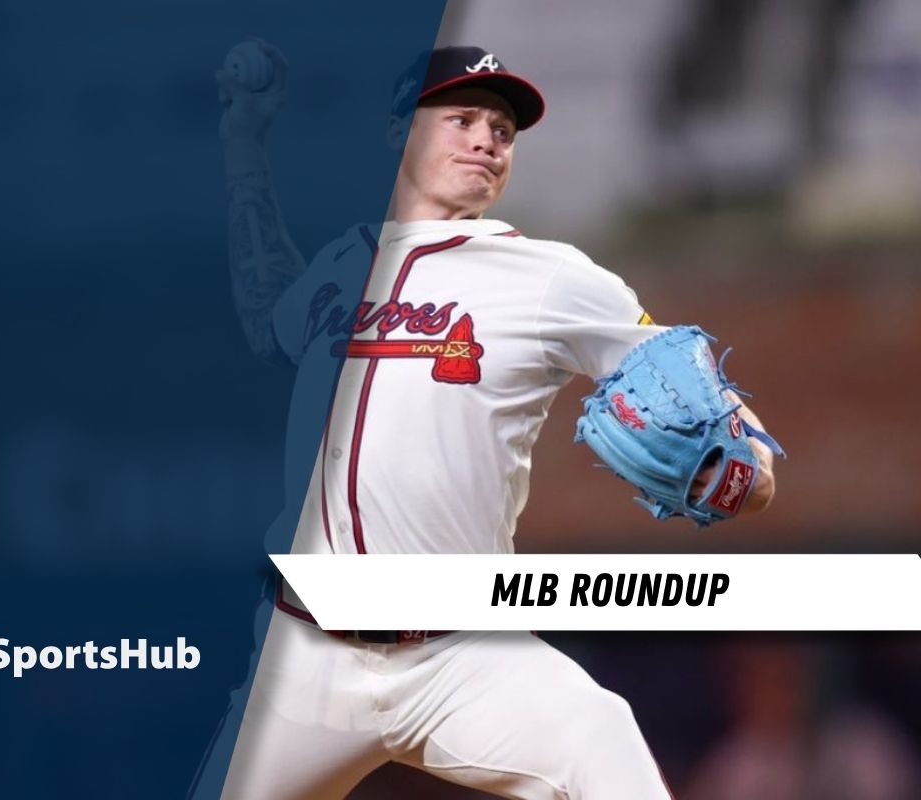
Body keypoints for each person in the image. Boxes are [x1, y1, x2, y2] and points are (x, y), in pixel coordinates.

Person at [209, 43, 778, 799]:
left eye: (502, 130)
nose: (486, 139)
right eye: (462, 118)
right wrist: (244, 146)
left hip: (464, 654)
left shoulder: (553, 277)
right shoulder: (339, 267)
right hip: (303, 656)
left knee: (600, 738)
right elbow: (264, 315)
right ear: (396, 134)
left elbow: (687, 375)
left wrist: (751, 465)